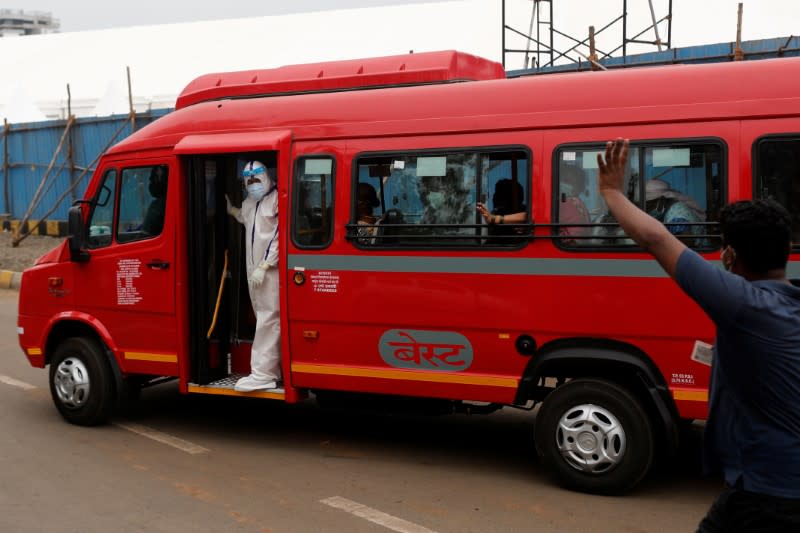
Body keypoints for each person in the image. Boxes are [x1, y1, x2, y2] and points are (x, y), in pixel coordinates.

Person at [597, 138, 800, 532]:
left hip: (771, 493)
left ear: (729, 256)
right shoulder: (786, 304)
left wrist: (609, 191)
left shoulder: (743, 305)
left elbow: (657, 240)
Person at [225, 160, 281, 392]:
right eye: (248, 181)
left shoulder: (277, 199)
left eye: (256, 179)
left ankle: (263, 373)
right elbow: (246, 219)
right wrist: (232, 210)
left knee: (268, 319)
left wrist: (266, 265)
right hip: (254, 273)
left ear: (266, 177)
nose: (253, 184)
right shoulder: (251, 202)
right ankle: (270, 369)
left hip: (269, 272)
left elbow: (279, 234)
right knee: (263, 317)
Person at [476, 178, 527, 243]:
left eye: (499, 194)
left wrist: (495, 219)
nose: (494, 197)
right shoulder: (496, 213)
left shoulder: (523, 211)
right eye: (496, 194)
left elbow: (527, 216)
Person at [557, 165, 591, 244]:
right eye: (564, 181)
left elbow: (575, 234)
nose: (563, 184)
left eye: (568, 181)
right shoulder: (577, 202)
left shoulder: (567, 202)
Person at [142, 165, 167, 235]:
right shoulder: (162, 203)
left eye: (157, 171)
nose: (150, 179)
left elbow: (145, 235)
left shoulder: (158, 206)